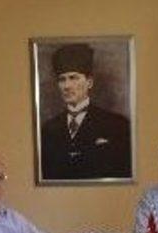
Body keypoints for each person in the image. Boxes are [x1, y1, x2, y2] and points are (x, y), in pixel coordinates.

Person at [39, 43, 132, 181]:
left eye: (73, 77)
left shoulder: (117, 124)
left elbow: (123, 174)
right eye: (62, 79)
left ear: (89, 82)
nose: (67, 86)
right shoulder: (47, 129)